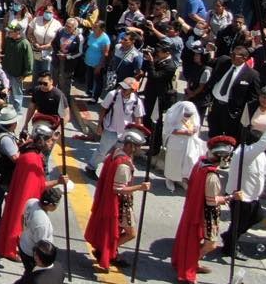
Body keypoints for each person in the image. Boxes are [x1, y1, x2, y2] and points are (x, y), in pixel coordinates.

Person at [83, 126, 150, 272]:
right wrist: (140, 187)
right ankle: (107, 251)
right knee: (131, 233)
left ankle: (109, 252)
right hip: (120, 204)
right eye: (137, 146)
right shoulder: (123, 165)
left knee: (119, 232)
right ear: (130, 145)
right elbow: (118, 189)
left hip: (117, 202)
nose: (139, 149)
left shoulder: (115, 154)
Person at [172, 135, 234, 284]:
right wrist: (231, 197)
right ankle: (190, 265)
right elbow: (212, 200)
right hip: (206, 214)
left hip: (194, 209)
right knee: (210, 244)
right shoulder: (211, 175)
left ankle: (192, 263)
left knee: (196, 241)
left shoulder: (200, 162)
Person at [0, 116, 59, 262]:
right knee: (16, 221)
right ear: (42, 140)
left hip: (18, 195)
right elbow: (39, 185)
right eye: (49, 140)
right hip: (23, 200)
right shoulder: (32, 159)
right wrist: (58, 181)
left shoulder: (31, 152)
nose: (51, 144)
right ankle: (10, 249)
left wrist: (54, 135)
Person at [222, 123, 266, 257]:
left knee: (258, 216)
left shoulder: (258, 154)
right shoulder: (245, 153)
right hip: (241, 196)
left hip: (252, 197)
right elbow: (264, 143)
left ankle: (229, 237)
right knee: (238, 224)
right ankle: (230, 247)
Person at [162, 99, 206, 192]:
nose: (188, 116)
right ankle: (170, 178)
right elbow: (168, 129)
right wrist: (184, 132)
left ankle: (183, 179)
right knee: (174, 162)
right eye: (186, 115)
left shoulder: (193, 113)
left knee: (188, 161)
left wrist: (194, 130)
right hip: (176, 143)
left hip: (189, 143)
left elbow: (196, 125)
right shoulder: (172, 115)